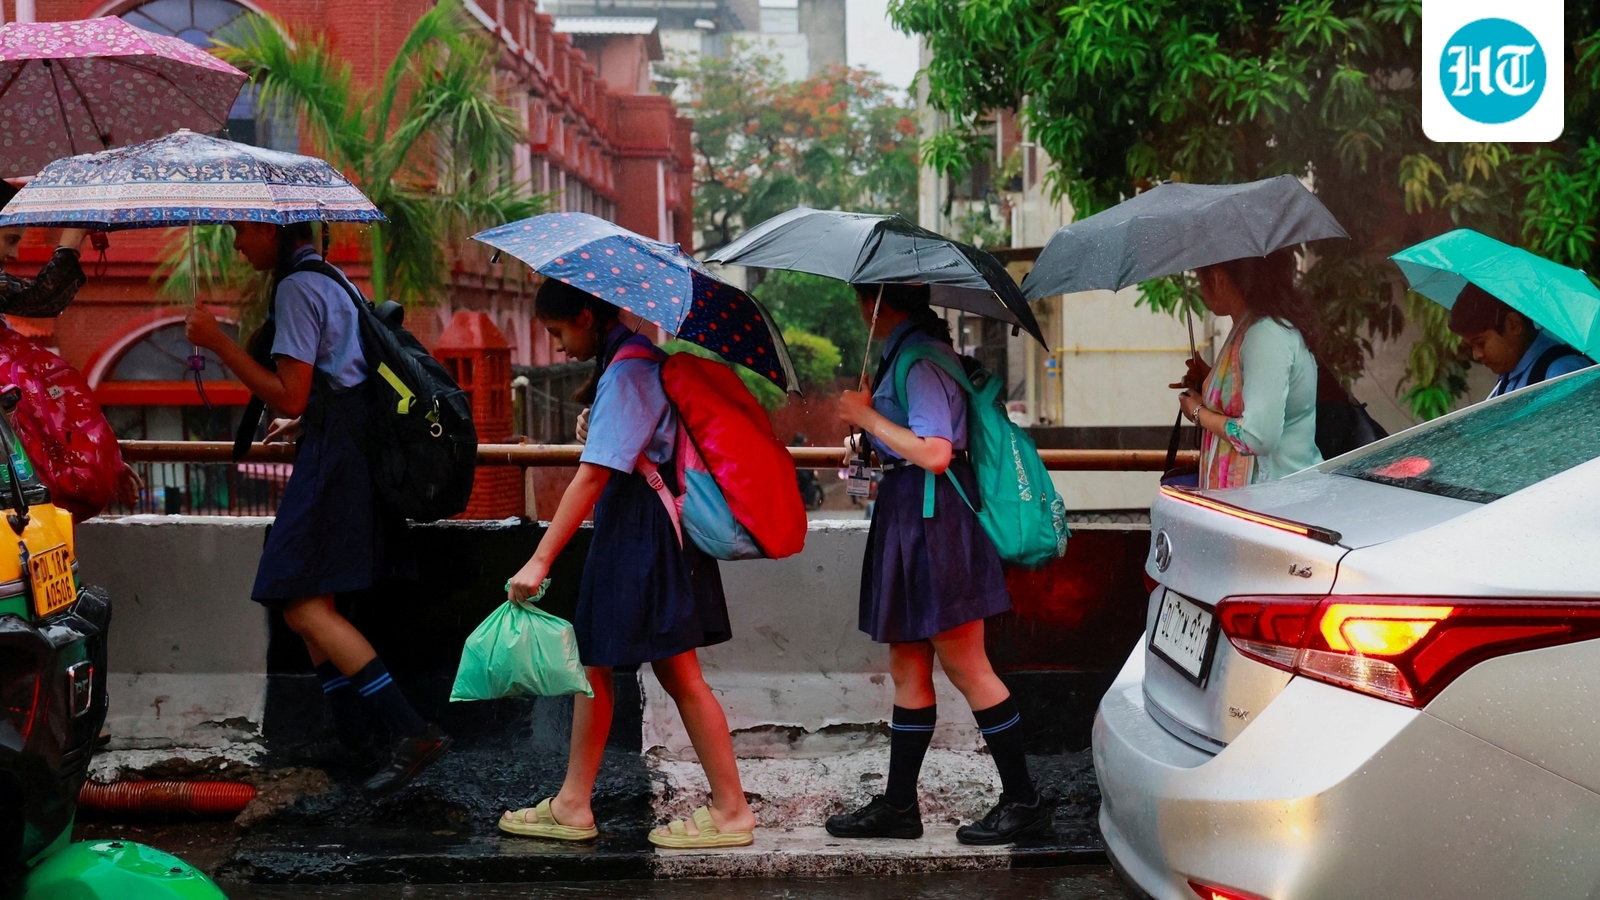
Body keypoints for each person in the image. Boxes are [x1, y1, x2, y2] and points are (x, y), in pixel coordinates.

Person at [184, 221, 450, 793]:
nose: (237, 243)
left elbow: (290, 390)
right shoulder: (330, 278)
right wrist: (309, 420)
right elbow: (343, 379)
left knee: (303, 607)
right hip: (346, 448)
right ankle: (352, 734)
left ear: (271, 232)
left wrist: (217, 341)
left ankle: (411, 730)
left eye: (241, 233)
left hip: (336, 464)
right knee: (306, 600)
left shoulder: (297, 287)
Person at [500, 278, 756, 849]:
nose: (558, 345)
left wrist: (540, 561)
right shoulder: (633, 363)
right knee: (622, 668)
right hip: (651, 530)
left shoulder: (629, 370)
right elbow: (626, 450)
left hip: (642, 535)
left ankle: (729, 809)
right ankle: (576, 802)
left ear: (587, 318)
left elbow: (592, 477)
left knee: (635, 669)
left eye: (558, 330)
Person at [828, 283, 1052, 846]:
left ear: (879, 302)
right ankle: (900, 806)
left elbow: (935, 452)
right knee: (907, 666)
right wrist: (870, 439)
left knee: (969, 667)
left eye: (863, 301)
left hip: (936, 526)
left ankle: (1024, 802)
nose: (860, 313)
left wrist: (867, 418)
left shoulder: (921, 358)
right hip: (912, 523)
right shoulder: (903, 356)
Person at [1174, 248, 1323, 490]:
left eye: (1201, 279)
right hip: (1282, 496)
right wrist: (1210, 380)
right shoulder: (1260, 327)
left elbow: (1257, 437)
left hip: (1277, 503)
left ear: (1217, 278)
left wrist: (1198, 412)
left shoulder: (1264, 335)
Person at [1446, 282, 1595, 399]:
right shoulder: (1505, 381)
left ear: (1513, 324)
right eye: (1471, 346)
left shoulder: (1562, 372)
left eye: (1480, 343)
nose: (1476, 355)